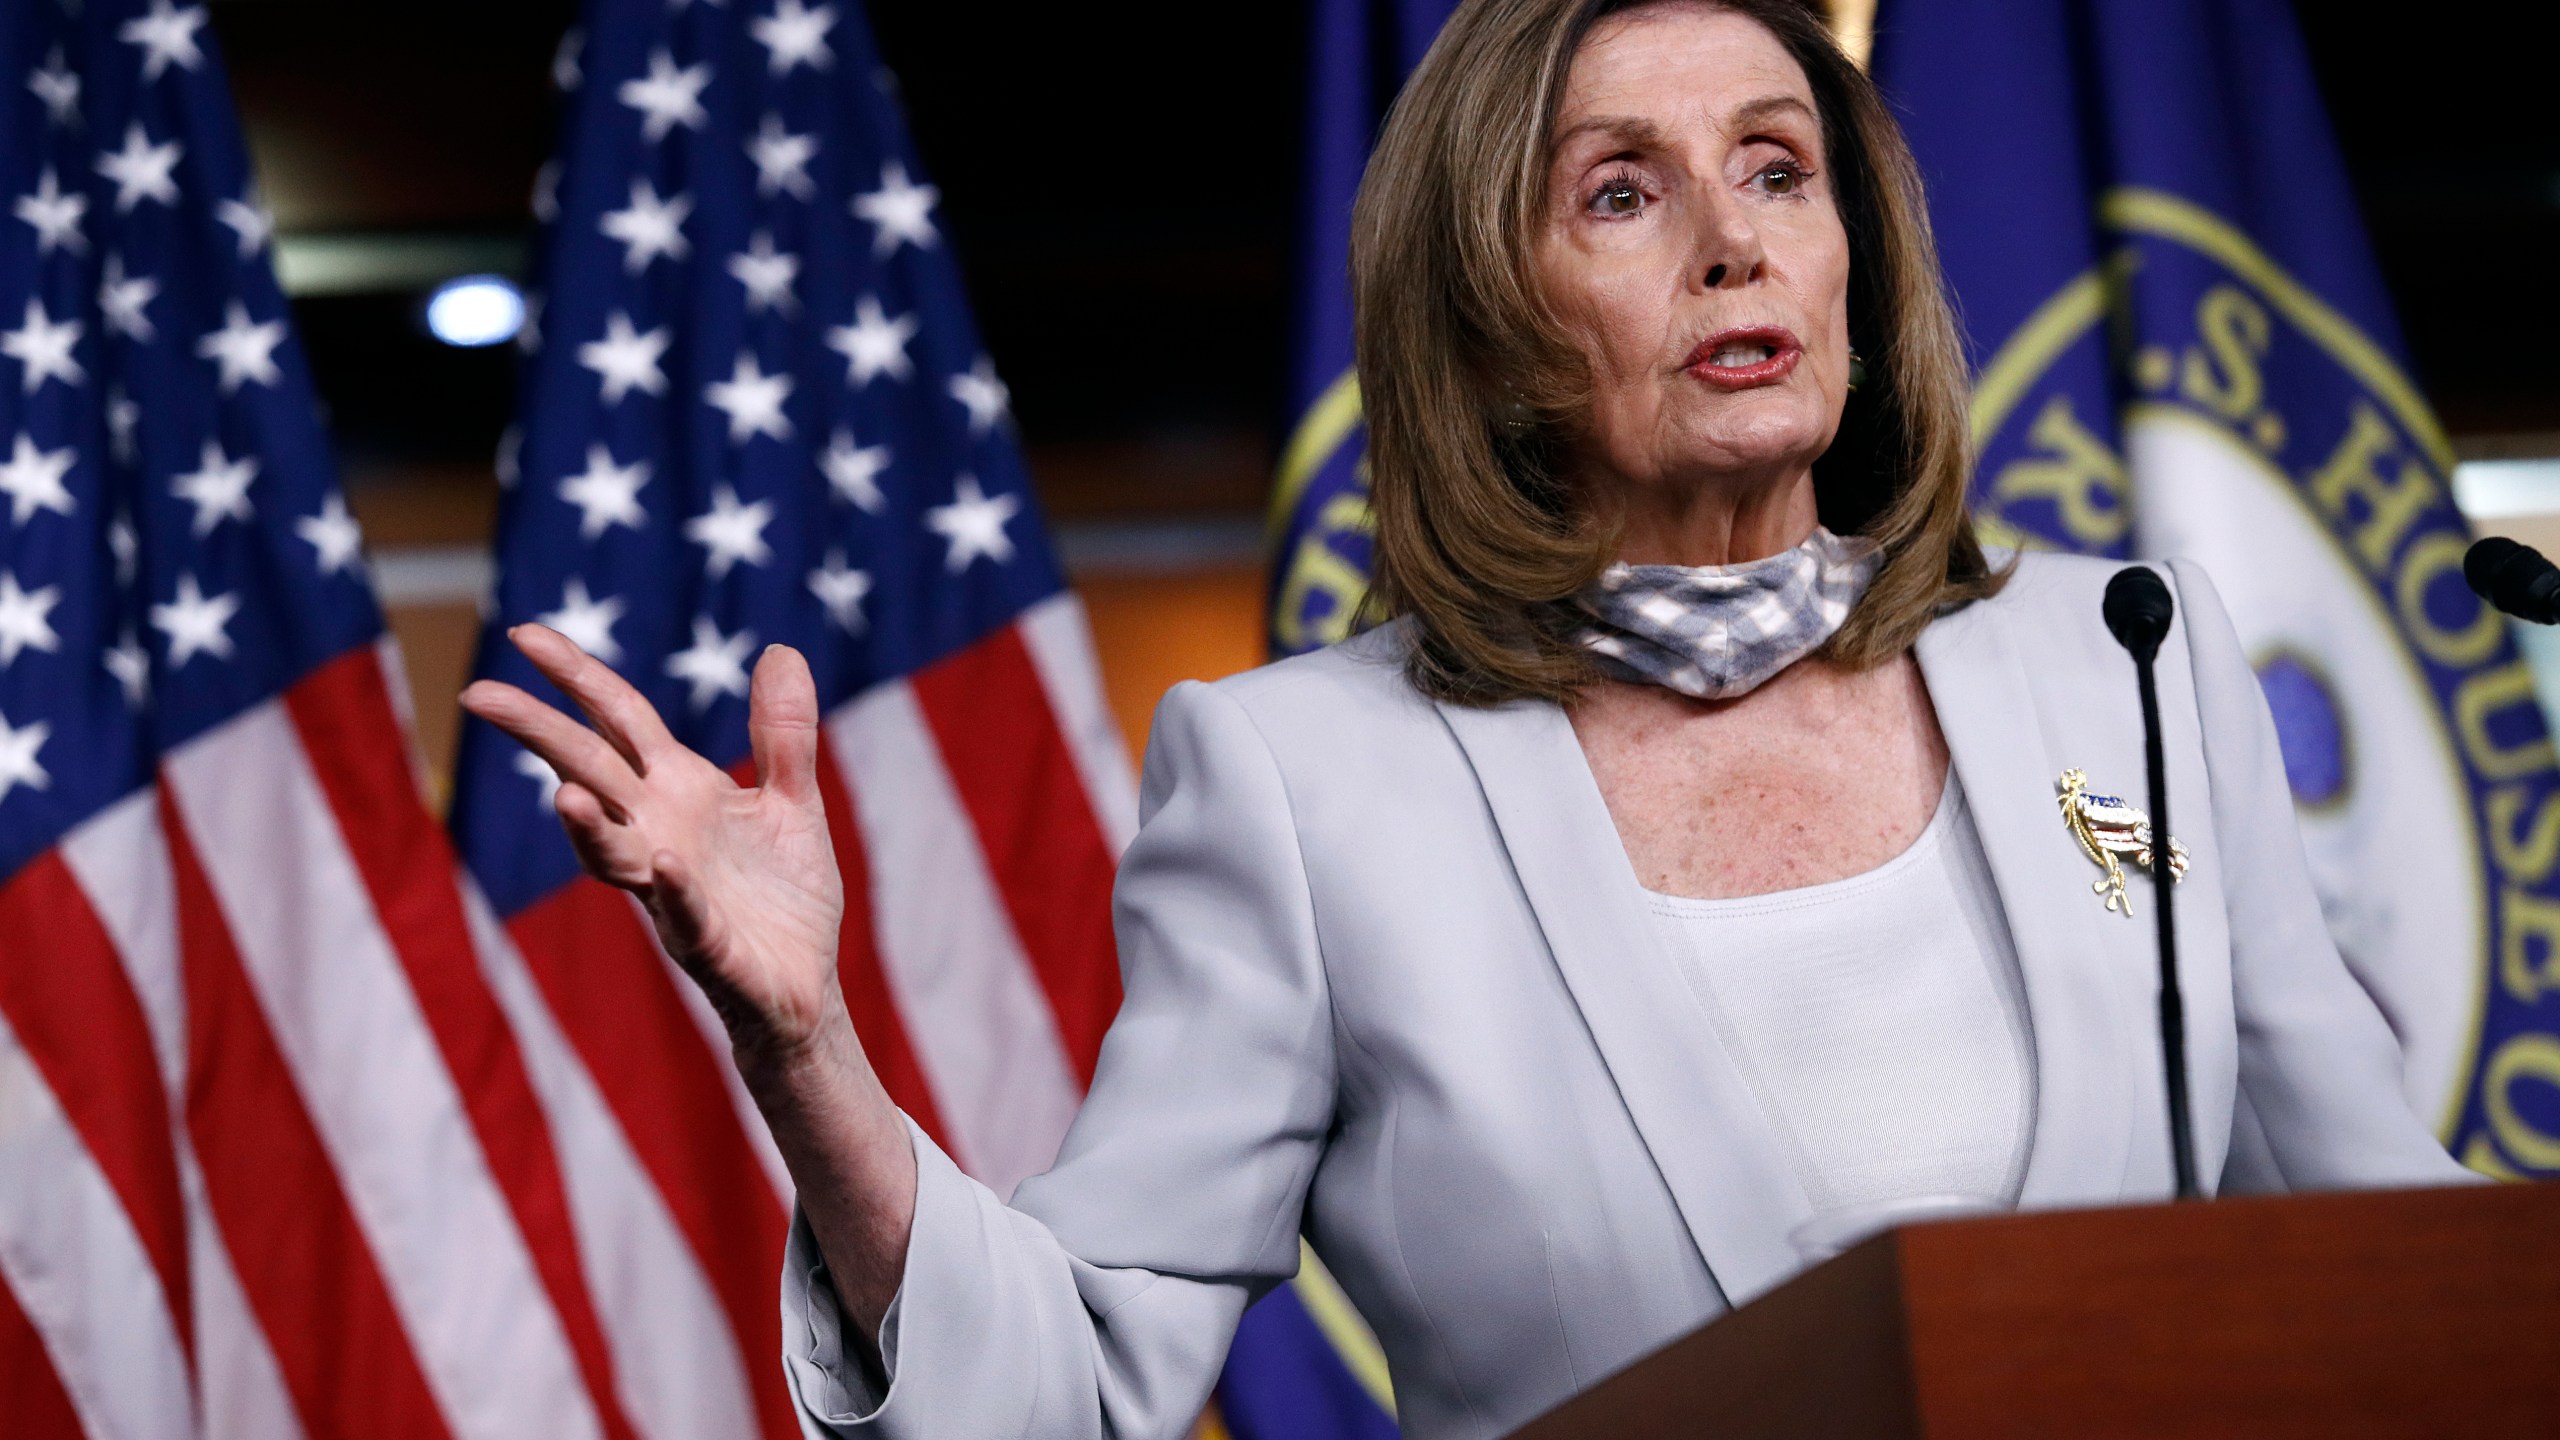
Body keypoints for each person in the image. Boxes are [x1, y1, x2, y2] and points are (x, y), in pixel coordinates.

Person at [462, 1, 2473, 1435]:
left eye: (1777, 166)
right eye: (1623, 192)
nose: (1727, 235)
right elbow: (1066, 1386)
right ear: (1488, 319)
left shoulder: (2114, 656)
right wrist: (803, 1043)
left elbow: (2390, 1252)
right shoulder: (1307, 788)